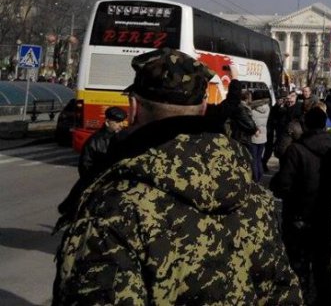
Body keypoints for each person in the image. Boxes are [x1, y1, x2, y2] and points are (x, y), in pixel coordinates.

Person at [53, 48, 302, 305]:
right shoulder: (253, 197)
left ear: (133, 107)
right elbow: (283, 293)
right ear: (203, 107)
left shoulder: (113, 206)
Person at [270, 106, 331, 306]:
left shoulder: (297, 150)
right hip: (323, 214)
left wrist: (276, 186)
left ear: (305, 125)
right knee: (322, 263)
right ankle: (325, 299)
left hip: (298, 216)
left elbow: (284, 184)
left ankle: (299, 299)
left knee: (298, 265)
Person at [77, 106, 127, 180]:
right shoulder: (94, 141)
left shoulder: (122, 136)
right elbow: (85, 166)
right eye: (117, 122)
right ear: (107, 122)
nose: (121, 125)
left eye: (122, 121)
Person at [249, 91, 270, 182]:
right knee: (259, 158)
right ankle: (260, 175)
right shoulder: (267, 108)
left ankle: (256, 178)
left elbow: (252, 123)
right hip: (263, 135)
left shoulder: (252, 109)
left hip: (255, 135)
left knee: (254, 159)